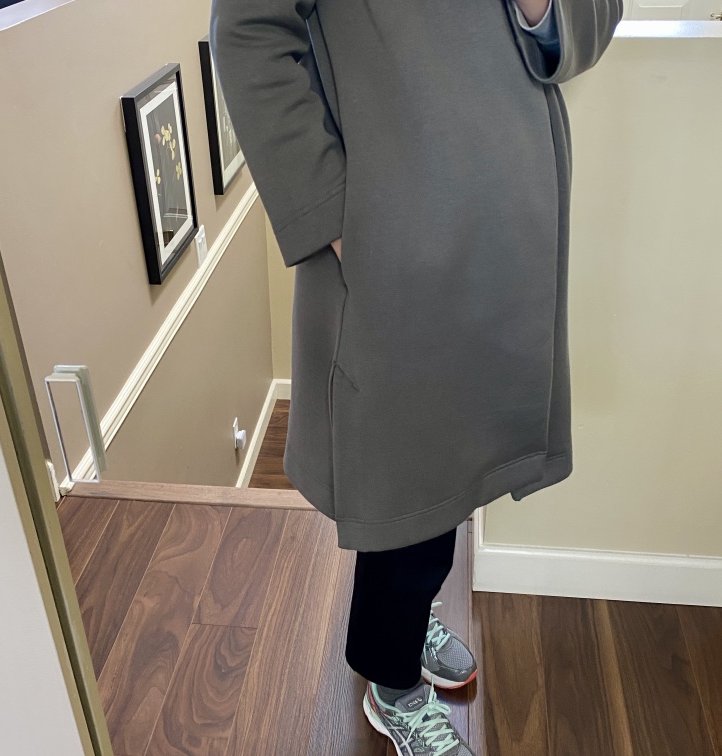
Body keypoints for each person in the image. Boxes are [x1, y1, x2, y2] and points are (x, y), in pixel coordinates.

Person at [210, 0, 621, 751]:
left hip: (507, 222)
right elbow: (248, 31)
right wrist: (332, 215)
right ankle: (392, 684)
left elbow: (592, 23)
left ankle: (407, 619)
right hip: (395, 227)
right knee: (406, 473)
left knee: (451, 467)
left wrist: (542, 9)